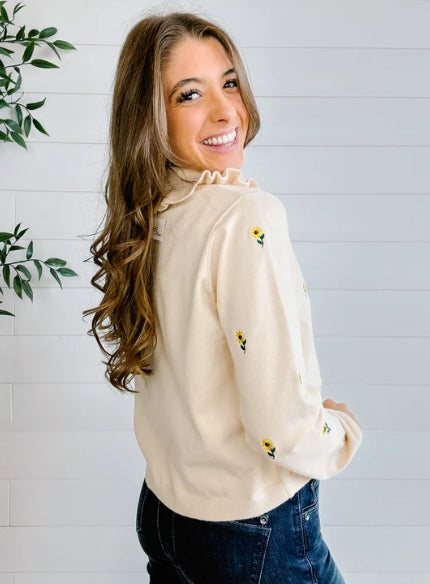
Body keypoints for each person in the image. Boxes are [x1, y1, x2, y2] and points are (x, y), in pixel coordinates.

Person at [86, 12, 362, 584]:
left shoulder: (151, 213)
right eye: (190, 94)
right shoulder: (246, 217)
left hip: (165, 513)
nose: (225, 111)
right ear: (151, 116)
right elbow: (281, 428)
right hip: (254, 530)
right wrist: (338, 431)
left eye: (229, 82)